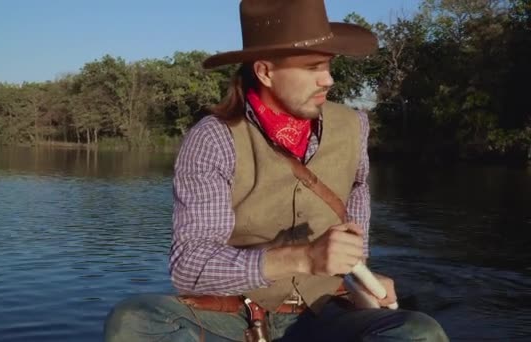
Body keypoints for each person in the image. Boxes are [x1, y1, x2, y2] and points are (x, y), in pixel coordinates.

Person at [104, 0, 449, 341]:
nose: (328, 79)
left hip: (327, 310)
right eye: (313, 67)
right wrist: (303, 258)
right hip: (237, 310)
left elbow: (353, 242)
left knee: (420, 332)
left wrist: (364, 282)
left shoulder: (354, 127)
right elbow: (191, 268)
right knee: (134, 320)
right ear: (265, 71)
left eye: (328, 66)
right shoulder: (213, 138)